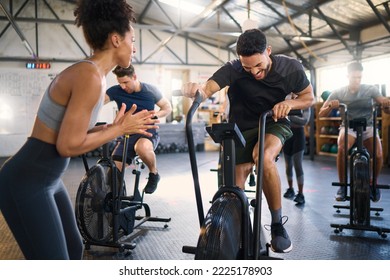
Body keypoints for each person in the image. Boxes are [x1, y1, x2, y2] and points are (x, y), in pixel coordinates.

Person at [0, 0, 159, 260]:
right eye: (133, 38)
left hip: (47, 178)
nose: (135, 46)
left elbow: (75, 133)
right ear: (116, 39)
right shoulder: (90, 77)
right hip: (27, 181)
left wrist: (114, 127)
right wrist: (120, 128)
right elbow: (68, 146)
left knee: (74, 250)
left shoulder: (94, 74)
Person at [182, 28, 314, 253]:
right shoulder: (233, 69)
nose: (254, 72)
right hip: (241, 127)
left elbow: (308, 98)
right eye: (247, 67)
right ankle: (241, 234)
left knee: (263, 157)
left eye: (259, 66)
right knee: (234, 188)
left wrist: (289, 104)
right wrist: (196, 89)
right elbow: (207, 89)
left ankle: (276, 225)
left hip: (271, 121)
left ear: (268, 51)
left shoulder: (290, 68)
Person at [318, 61, 390, 202]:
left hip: (368, 126)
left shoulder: (371, 89)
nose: (356, 80)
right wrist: (330, 106)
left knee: (378, 154)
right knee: (341, 148)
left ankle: (373, 184)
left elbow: (383, 104)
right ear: (347, 76)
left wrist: (386, 105)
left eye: (359, 77)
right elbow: (321, 113)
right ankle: (343, 186)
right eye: (354, 78)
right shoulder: (338, 92)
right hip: (348, 127)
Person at [105, 65, 172, 194]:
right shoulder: (115, 91)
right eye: (120, 83)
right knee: (112, 174)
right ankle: (118, 202)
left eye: (126, 82)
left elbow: (167, 107)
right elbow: (97, 103)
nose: (123, 87)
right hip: (127, 133)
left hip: (147, 131)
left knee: (141, 148)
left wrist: (155, 116)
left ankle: (154, 174)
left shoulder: (150, 90)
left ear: (134, 77)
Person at [282, 94, 312, 205]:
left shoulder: (305, 102)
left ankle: (301, 194)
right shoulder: (287, 99)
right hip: (287, 134)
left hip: (299, 134)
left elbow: (304, 120)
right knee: (287, 164)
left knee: (297, 164)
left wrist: (288, 116)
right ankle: (290, 189)